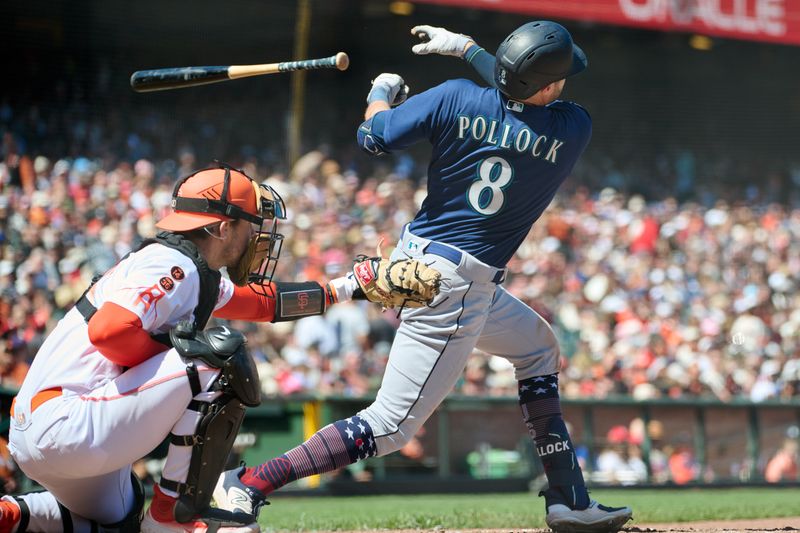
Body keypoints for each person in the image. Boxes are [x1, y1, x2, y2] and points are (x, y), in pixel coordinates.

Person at [213, 21, 632, 532]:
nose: (565, 84)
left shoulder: (456, 97)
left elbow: (375, 137)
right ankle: (250, 483)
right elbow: (524, 95)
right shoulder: (571, 128)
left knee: (538, 348)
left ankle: (568, 497)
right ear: (546, 85)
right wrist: (468, 49)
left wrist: (380, 93)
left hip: (418, 262)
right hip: (455, 287)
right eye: (560, 77)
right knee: (389, 426)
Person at [0, 163, 436, 533]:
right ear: (224, 226)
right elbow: (110, 333)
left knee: (123, 519)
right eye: (249, 224)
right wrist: (180, 351)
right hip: (66, 421)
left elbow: (264, 302)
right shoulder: (173, 265)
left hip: (48, 430)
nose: (256, 235)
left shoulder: (188, 267)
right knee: (217, 357)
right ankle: (175, 513)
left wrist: (349, 287)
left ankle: (14, 513)